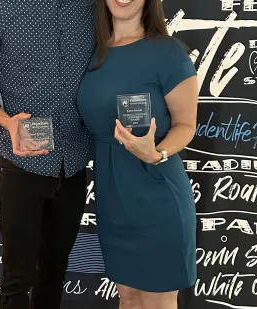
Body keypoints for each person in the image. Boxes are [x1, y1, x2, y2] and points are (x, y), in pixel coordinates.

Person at [0, 1, 95, 308]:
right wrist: (6, 121)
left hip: (73, 161)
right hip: (19, 162)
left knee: (55, 273)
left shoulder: (90, 7)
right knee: (18, 276)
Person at [76, 0, 199, 308]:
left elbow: (186, 125)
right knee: (128, 299)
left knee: (156, 300)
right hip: (112, 198)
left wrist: (156, 152)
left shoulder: (168, 52)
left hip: (157, 195)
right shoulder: (90, 53)